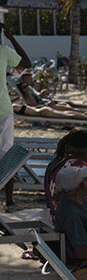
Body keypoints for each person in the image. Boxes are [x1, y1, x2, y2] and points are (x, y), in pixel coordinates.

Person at [1, 25, 31, 210]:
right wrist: (11, 38)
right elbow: (26, 63)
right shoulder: (3, 51)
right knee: (6, 155)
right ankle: (9, 201)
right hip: (2, 111)